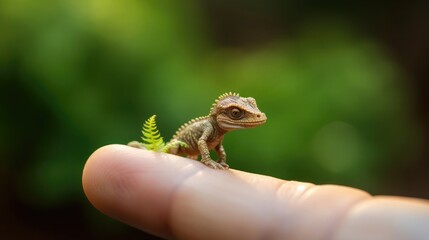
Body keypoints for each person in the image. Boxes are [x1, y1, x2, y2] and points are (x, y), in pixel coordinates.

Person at [82, 145, 429, 240]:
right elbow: (203, 144)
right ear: (222, 116)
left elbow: (216, 148)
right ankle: (142, 150)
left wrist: (221, 160)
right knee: (152, 156)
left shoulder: (218, 131)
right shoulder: (207, 130)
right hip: (180, 151)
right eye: (236, 115)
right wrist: (207, 160)